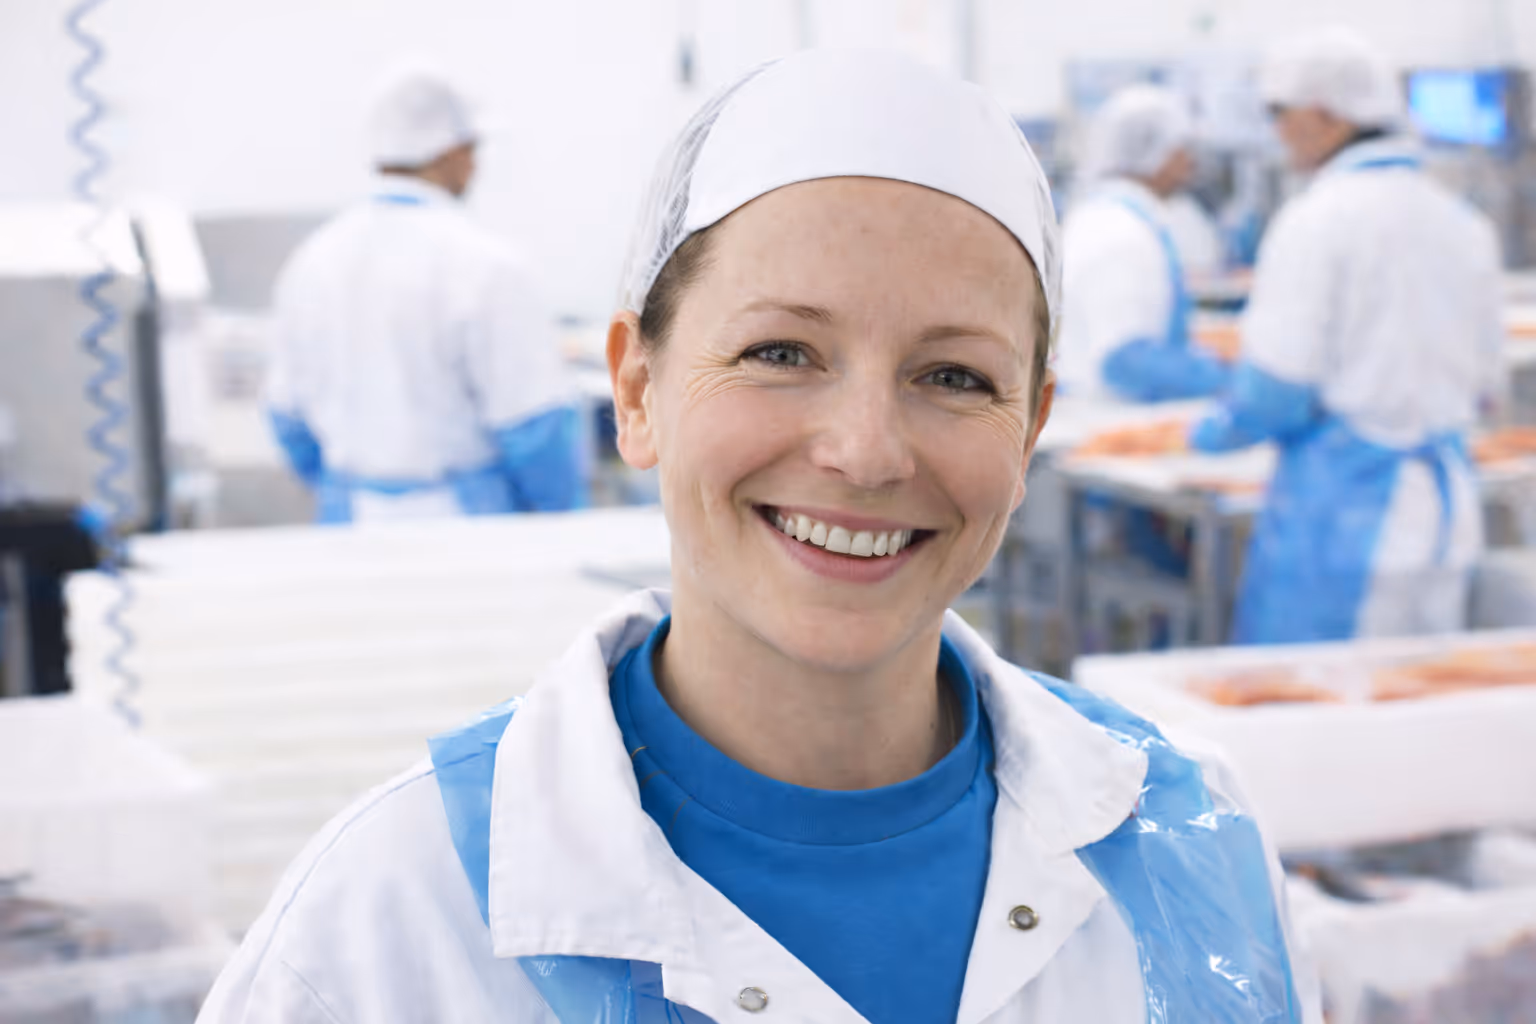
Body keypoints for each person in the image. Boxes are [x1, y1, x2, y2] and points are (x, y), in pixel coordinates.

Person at [199, 51, 1319, 1022]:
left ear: (1028, 430)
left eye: (954, 375)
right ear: (637, 391)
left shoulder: (1191, 843)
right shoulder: (383, 931)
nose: (867, 450)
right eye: (782, 352)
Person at [1190, 28, 1507, 645]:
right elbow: (1487, 380)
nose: (1276, 132)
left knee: (1314, 706)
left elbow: (1277, 389)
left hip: (1348, 520)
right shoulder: (1463, 222)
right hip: (1446, 512)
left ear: (1326, 116)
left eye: (1281, 114)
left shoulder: (1320, 219)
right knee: (1416, 703)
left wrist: (1212, 431)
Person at [265, 64, 584, 524]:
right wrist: (559, 522)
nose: (475, 165)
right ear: (450, 153)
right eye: (473, 150)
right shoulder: (486, 265)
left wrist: (348, 486)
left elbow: (289, 422)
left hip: (348, 525)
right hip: (472, 529)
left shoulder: (312, 262)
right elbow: (535, 428)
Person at [1056, 84, 1229, 402]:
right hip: (1105, 418)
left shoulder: (1113, 216)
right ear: (1153, 154)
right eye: (1181, 150)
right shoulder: (1118, 230)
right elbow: (1123, 360)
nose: (1190, 164)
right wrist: (1222, 375)